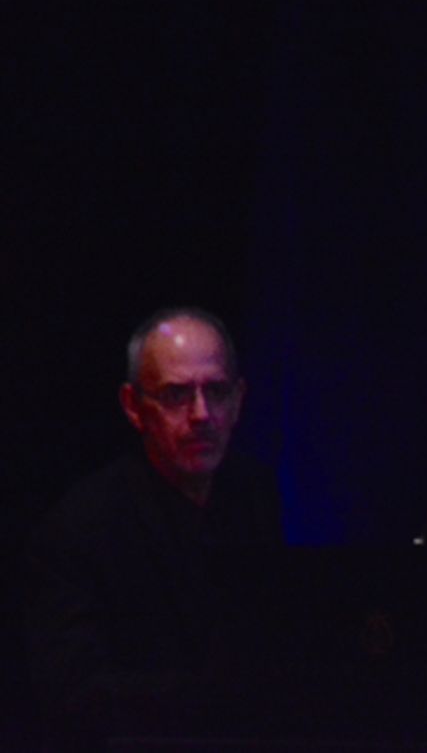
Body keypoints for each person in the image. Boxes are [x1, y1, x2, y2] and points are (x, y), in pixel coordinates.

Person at [24, 308, 285, 743]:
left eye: (216, 391)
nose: (202, 414)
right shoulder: (79, 530)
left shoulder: (253, 492)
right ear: (133, 406)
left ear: (239, 400)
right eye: (177, 395)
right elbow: (74, 698)